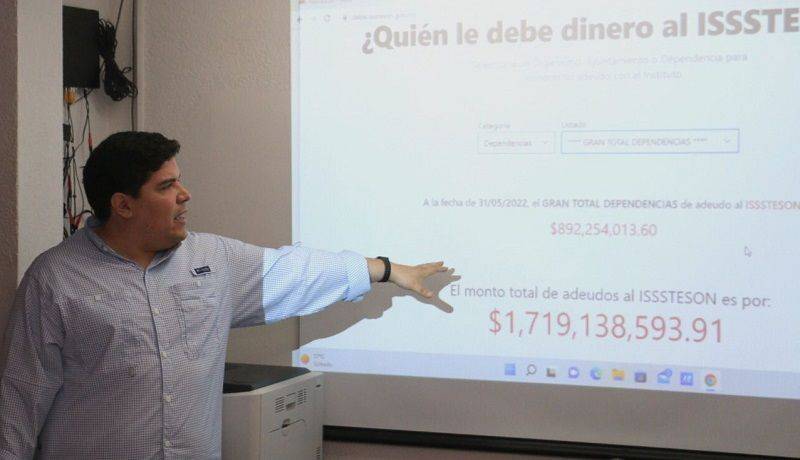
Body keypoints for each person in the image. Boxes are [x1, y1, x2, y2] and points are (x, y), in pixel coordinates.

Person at [0, 131, 447, 459]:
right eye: (166, 186)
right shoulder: (56, 280)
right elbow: (21, 399)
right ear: (123, 205)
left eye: (179, 180)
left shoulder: (213, 259)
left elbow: (297, 271)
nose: (185, 194)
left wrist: (386, 269)